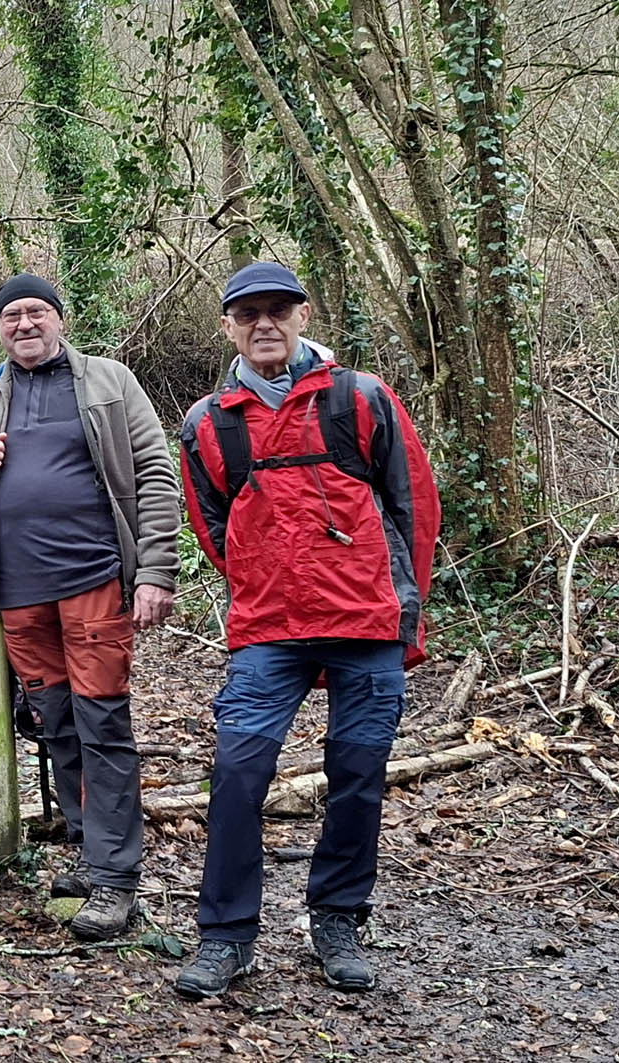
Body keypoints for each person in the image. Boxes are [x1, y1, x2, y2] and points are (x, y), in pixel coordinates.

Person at [169, 261, 441, 997]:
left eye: (278, 310)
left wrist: (402, 609)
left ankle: (339, 919)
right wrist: (263, 579)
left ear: (303, 316)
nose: (264, 324)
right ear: (228, 327)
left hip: (365, 620)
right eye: (247, 313)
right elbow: (213, 528)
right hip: (269, 627)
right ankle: (226, 936)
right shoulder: (209, 423)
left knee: (358, 775)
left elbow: (414, 506)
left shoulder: (360, 399)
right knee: (238, 772)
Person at [0, 273, 181, 940]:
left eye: (36, 312)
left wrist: (156, 572)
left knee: (102, 721)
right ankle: (91, 852)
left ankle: (116, 880)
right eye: (12, 316)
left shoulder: (110, 381)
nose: (25, 324)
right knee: (56, 722)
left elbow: (155, 472)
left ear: (60, 319)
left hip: (94, 581)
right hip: (19, 590)